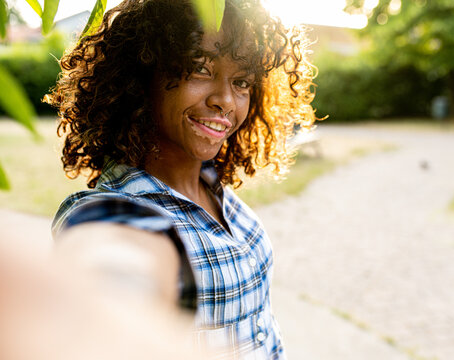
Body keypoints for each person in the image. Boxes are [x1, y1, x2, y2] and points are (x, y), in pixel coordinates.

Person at [45, 0, 317, 358]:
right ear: (142, 75)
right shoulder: (115, 212)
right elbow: (108, 257)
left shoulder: (211, 185)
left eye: (241, 82)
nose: (225, 100)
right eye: (199, 69)